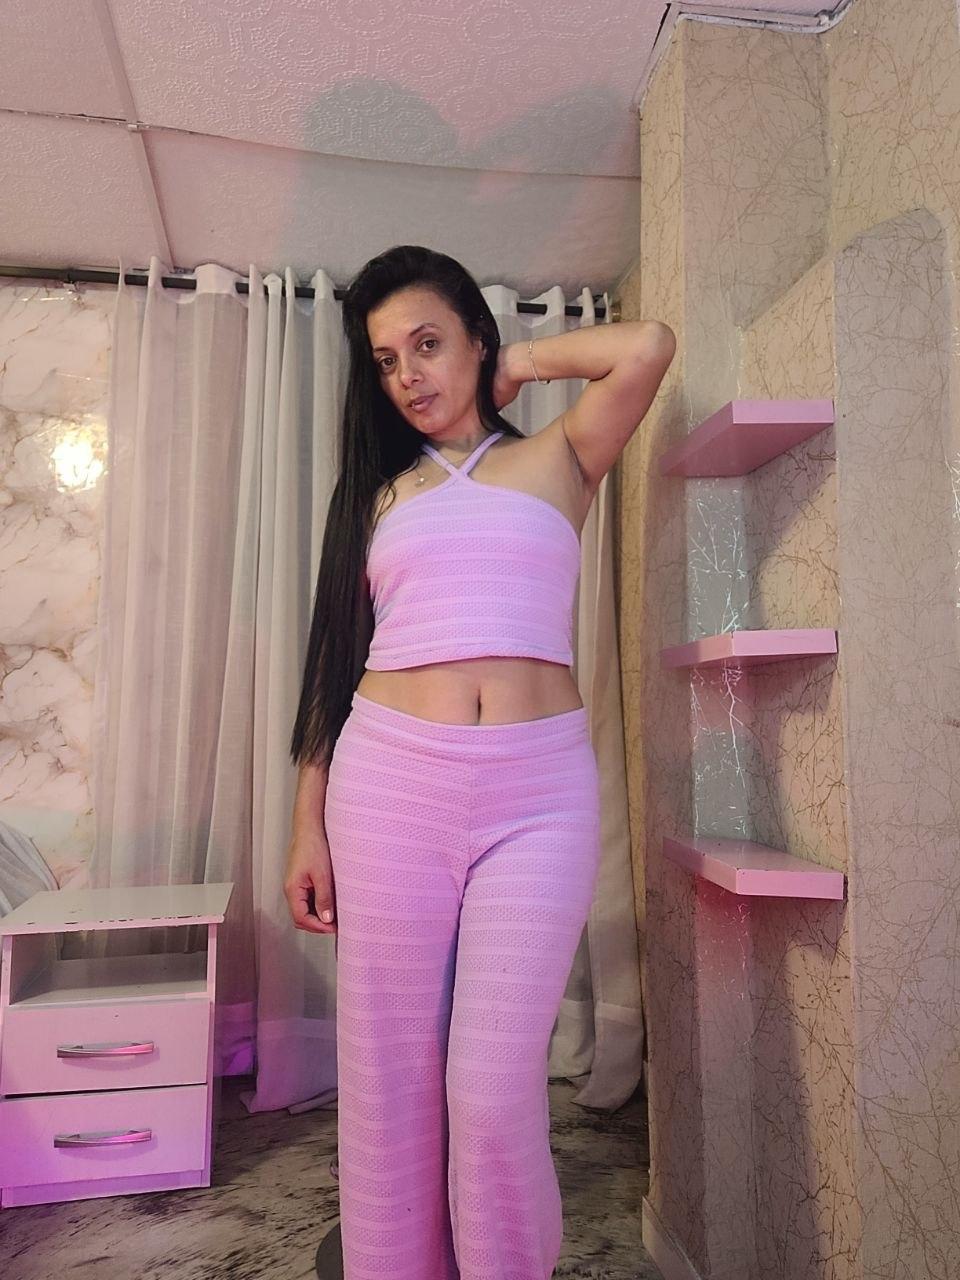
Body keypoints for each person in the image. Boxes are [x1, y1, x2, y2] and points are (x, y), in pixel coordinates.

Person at [283, 244, 675, 1280]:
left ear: (476, 340)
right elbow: (334, 664)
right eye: (385, 360)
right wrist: (305, 823)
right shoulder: (376, 494)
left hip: (537, 796)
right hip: (389, 782)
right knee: (390, 1077)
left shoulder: (560, 457)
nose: (408, 375)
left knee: (493, 1090)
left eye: (427, 344)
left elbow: (647, 346)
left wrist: (522, 365)